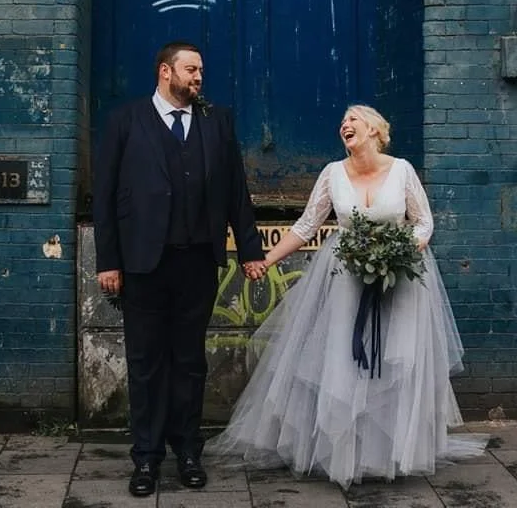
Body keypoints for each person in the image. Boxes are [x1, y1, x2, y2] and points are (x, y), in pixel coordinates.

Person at [206, 105, 487, 489]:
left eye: (354, 120)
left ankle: (388, 454)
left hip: (400, 282)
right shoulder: (332, 174)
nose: (345, 125)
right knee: (344, 360)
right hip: (345, 279)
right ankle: (345, 452)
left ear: (375, 130)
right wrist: (265, 260)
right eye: (342, 122)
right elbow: (307, 226)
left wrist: (404, 249)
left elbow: (423, 222)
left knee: (395, 361)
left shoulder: (402, 170)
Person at [92, 41, 265, 498]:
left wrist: (249, 250)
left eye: (201, 70)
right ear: (165, 72)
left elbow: (236, 193)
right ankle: (146, 457)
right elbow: (105, 198)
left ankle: (188, 451)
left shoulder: (217, 121)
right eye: (191, 69)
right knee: (146, 363)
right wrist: (107, 260)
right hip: (143, 265)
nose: (199, 77)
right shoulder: (125, 121)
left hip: (197, 263)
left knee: (189, 361)